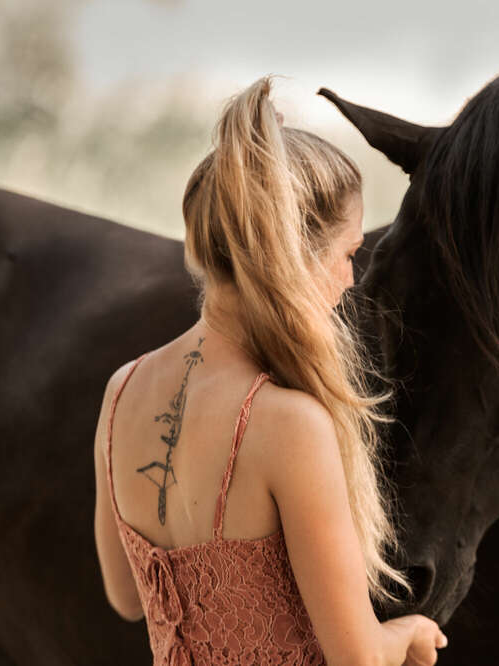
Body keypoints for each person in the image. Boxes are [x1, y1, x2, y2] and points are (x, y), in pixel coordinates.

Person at [93, 74, 448, 665]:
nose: (350, 279)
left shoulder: (121, 390)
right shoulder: (289, 424)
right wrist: (407, 634)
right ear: (291, 255)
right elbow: (358, 658)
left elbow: (126, 595)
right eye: (347, 254)